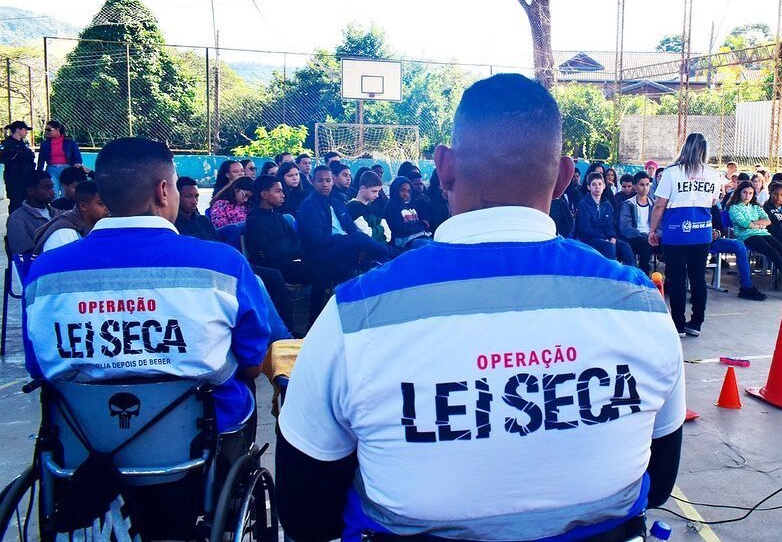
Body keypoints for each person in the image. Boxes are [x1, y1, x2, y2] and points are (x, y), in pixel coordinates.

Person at [276, 73, 683, 541]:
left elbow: (306, 516)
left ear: (444, 168)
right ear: (565, 178)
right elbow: (660, 484)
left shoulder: (355, 316)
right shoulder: (642, 306)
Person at [22, 136, 271, 437]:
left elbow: (39, 368)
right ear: (163, 191)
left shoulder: (44, 272)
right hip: (199, 438)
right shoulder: (223, 264)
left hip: (84, 441)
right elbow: (252, 364)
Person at [650, 132, 726, 337]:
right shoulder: (713, 173)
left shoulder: (672, 172)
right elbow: (712, 201)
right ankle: (697, 323)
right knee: (698, 277)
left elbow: (659, 205)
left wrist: (652, 229)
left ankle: (678, 324)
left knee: (676, 278)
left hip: (676, 233)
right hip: (702, 232)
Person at [245, 174, 325, 324]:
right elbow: (266, 253)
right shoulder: (255, 221)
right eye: (278, 191)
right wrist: (288, 250)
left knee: (323, 269)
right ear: (264, 194)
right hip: (274, 267)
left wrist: (287, 249)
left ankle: (315, 322)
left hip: (289, 261)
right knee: (318, 273)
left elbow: (295, 241)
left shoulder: (278, 217)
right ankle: (289, 327)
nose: (283, 195)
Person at [297, 165, 392, 280]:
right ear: (312, 181)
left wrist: (356, 246)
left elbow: (350, 227)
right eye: (320, 180)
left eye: (328, 180)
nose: (325, 184)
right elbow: (317, 239)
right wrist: (345, 239)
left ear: (333, 181)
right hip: (321, 251)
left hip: (342, 246)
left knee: (371, 256)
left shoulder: (337, 203)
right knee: (359, 238)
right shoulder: (308, 205)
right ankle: (393, 254)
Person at [727, 181, 782, 288]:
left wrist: (755, 224)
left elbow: (767, 221)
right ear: (739, 193)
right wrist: (758, 224)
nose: (747, 196)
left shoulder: (755, 207)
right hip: (747, 236)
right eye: (745, 192)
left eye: (750, 193)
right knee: (772, 252)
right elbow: (744, 223)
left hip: (762, 233)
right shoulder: (734, 207)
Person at [32, 180, 109, 255]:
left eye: (108, 202)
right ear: (83, 206)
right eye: (101, 203)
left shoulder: (99, 225)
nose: (108, 208)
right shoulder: (63, 234)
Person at [576, 172, 636, 266]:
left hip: (606, 238)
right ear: (588, 187)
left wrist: (612, 237)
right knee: (609, 247)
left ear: (604, 186)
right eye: (594, 184)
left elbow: (610, 225)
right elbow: (585, 228)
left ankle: (633, 274)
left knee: (625, 246)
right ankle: (608, 275)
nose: (597, 187)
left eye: (600, 184)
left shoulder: (607, 205)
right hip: (589, 239)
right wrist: (604, 238)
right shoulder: (583, 204)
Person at [6, 171, 56, 255]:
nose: (52, 192)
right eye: (47, 188)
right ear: (30, 191)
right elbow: (24, 253)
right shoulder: (17, 220)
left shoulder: (57, 213)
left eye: (52, 187)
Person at [619, 171, 656, 274]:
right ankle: (643, 273)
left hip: (652, 236)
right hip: (635, 237)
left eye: (647, 185)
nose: (645, 188)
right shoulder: (628, 204)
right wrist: (642, 235)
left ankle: (669, 279)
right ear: (634, 186)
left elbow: (660, 224)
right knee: (645, 244)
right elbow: (625, 227)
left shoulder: (654, 204)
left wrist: (656, 234)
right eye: (641, 184)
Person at [35, 120, 83, 198]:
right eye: (46, 130)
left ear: (57, 130)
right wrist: (39, 173)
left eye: (49, 130)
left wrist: (75, 168)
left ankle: (66, 209)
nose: (46, 132)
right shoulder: (45, 144)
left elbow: (77, 157)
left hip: (66, 168)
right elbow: (41, 160)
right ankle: (56, 209)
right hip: (51, 168)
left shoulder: (70, 142)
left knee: (66, 191)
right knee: (53, 192)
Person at [384, 176, 432, 249]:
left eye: (408, 191)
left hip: (417, 237)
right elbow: (401, 229)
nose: (406, 194)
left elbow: (413, 224)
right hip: (402, 242)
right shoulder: (391, 207)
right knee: (429, 247)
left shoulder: (410, 206)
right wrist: (423, 224)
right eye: (402, 190)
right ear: (395, 190)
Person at [347, 170, 392, 246]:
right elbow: (367, 235)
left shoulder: (375, 208)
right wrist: (381, 229)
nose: (377, 195)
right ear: (363, 189)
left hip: (383, 248)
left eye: (378, 192)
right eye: (374, 191)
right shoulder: (352, 208)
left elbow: (388, 235)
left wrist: (377, 232)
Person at [1, 121, 36, 212]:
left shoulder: (23, 144)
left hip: (26, 176)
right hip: (14, 177)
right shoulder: (7, 144)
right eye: (25, 129)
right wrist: (14, 155)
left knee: (27, 201)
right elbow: (3, 158)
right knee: (16, 202)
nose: (26, 132)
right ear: (18, 130)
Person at [173, 176, 219, 241]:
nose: (194, 201)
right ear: (177, 196)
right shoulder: (173, 226)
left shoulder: (204, 221)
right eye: (189, 197)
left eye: (196, 196)